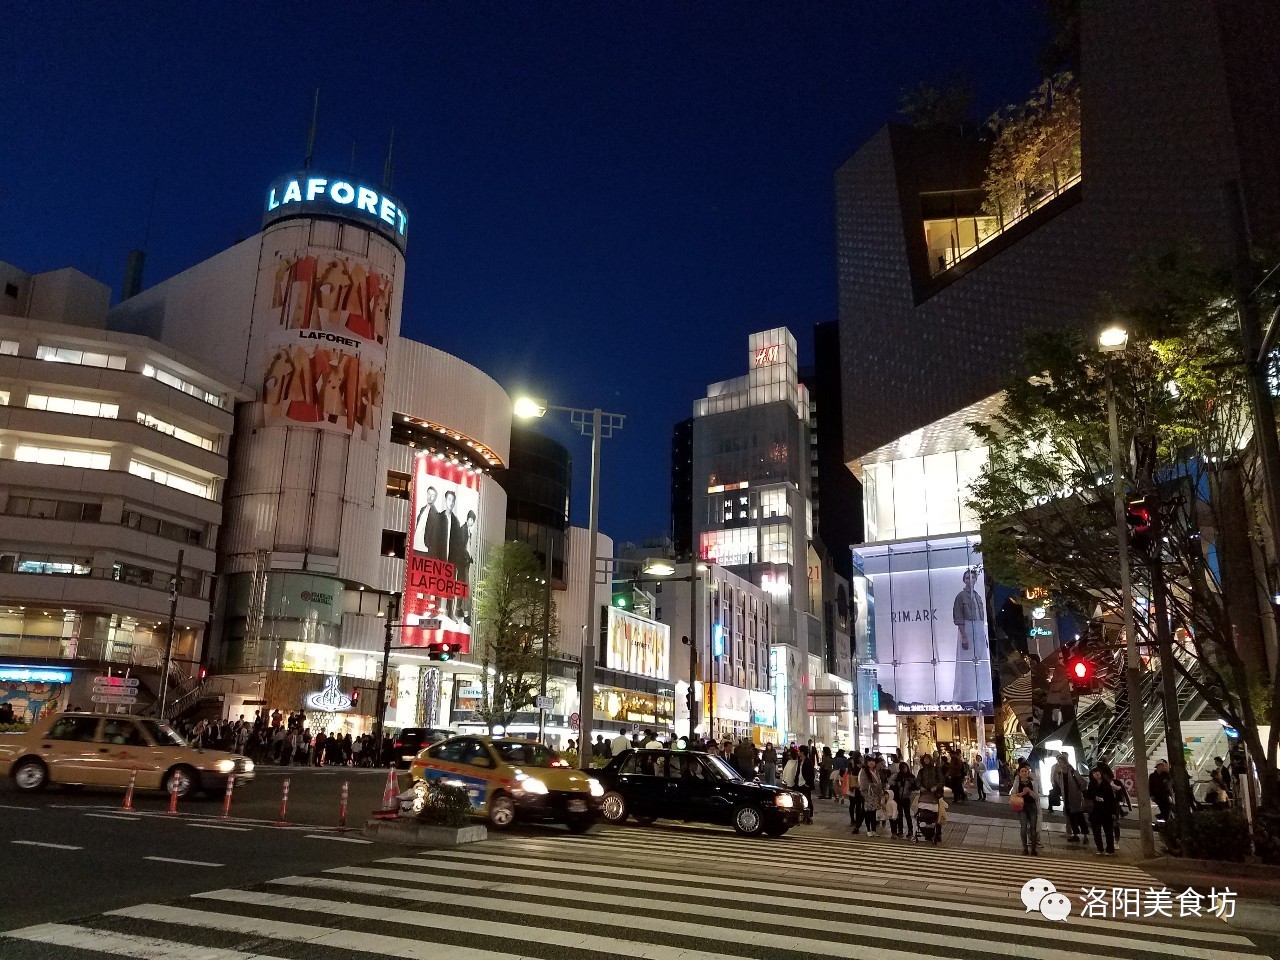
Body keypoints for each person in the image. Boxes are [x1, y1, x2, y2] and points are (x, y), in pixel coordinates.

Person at [1052, 753, 1088, 842]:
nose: (1059, 764)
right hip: (1066, 798)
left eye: (1061, 763)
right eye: (1058, 763)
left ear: (1066, 763)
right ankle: (1075, 834)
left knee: (1079, 816)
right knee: (1071, 817)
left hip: (1075, 798)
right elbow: (1057, 784)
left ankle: (1085, 835)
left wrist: (1078, 791)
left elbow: (1083, 782)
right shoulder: (1059, 774)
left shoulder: (1073, 772)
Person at [1086, 767, 1118, 855]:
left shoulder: (1106, 785)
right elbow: (1089, 795)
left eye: (1098, 772)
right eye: (1094, 773)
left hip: (1106, 811)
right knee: (1096, 831)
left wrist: (1113, 812)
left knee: (1108, 831)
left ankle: (1110, 849)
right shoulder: (1091, 785)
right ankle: (1100, 848)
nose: (1097, 773)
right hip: (1095, 811)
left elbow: (1112, 800)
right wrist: (1095, 797)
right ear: (1092, 775)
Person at [1010, 761, 1040, 856]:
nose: (1024, 772)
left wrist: (1030, 791)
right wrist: (1022, 793)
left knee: (1033, 828)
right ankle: (1025, 848)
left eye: (1026, 771)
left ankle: (1033, 848)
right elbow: (1013, 794)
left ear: (1028, 772)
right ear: (1019, 773)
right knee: (1023, 827)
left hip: (1032, 806)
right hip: (1021, 806)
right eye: (1022, 771)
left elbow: (1037, 797)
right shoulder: (1017, 783)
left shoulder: (1033, 783)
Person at [888, 760, 917, 839]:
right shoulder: (897, 775)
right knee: (899, 814)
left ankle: (910, 830)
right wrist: (896, 784)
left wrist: (911, 786)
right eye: (903, 768)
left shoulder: (910, 777)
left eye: (905, 768)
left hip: (906, 798)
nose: (904, 769)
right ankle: (900, 830)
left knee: (907, 815)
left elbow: (915, 785)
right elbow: (890, 781)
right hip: (898, 798)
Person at [858, 756, 886, 836]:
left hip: (875, 794)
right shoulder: (864, 771)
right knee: (868, 812)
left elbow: (879, 782)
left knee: (873, 813)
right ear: (867, 763)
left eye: (873, 761)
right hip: (868, 794)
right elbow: (863, 783)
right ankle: (868, 829)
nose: (871, 763)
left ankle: (874, 829)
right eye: (870, 761)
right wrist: (873, 785)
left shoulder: (876, 772)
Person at [796, 746, 815, 823]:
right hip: (800, 783)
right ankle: (803, 816)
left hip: (805, 783)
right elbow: (798, 772)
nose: (798, 753)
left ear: (802, 752)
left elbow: (811, 774)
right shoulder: (800, 761)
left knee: (807, 800)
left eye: (799, 751)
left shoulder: (808, 762)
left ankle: (809, 816)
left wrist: (807, 783)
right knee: (801, 801)